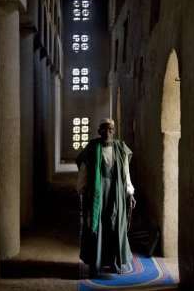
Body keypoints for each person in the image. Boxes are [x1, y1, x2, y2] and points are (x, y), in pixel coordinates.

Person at [76, 118, 137, 278]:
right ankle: (95, 263)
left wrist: (130, 192)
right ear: (99, 131)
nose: (107, 132)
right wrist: (81, 190)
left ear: (114, 131)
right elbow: (84, 170)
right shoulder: (92, 148)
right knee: (97, 226)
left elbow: (126, 172)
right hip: (97, 194)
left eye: (110, 129)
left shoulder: (120, 148)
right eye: (104, 129)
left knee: (114, 225)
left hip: (116, 194)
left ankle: (114, 262)